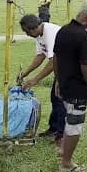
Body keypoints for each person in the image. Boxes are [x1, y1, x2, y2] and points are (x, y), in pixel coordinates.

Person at [53, 5, 87, 172]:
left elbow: (55, 58)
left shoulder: (63, 30)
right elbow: (86, 68)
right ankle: (66, 163)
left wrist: (58, 80)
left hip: (65, 86)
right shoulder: (83, 37)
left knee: (69, 120)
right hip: (77, 89)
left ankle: (63, 150)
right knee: (75, 125)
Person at [17, 14, 66, 145]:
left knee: (61, 100)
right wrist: (25, 73)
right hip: (61, 66)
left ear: (34, 28)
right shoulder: (39, 35)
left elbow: (53, 62)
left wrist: (35, 79)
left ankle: (61, 134)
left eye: (27, 31)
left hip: (71, 66)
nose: (27, 35)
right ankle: (54, 129)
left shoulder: (51, 33)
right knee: (55, 98)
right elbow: (40, 56)